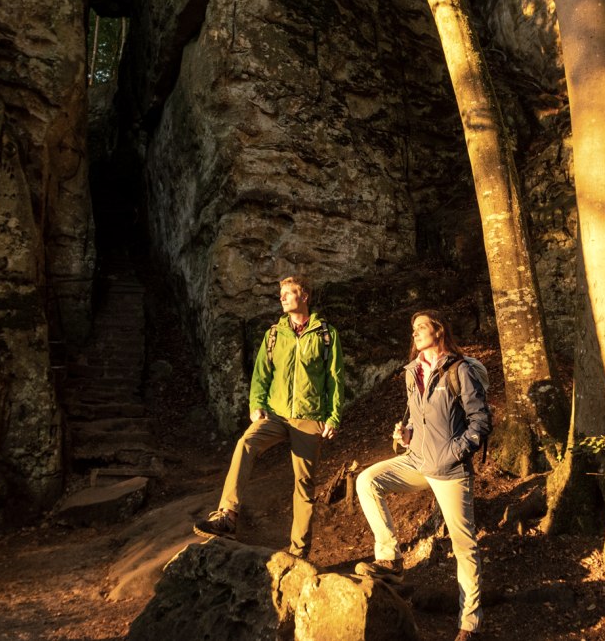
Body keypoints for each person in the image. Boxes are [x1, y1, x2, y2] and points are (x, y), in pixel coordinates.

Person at [355, 310, 490, 641]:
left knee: (464, 546)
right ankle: (390, 559)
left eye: (421, 327)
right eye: (412, 328)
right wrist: (406, 435)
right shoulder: (412, 372)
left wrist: (454, 452)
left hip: (449, 469)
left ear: (439, 331)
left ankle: (469, 622)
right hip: (416, 460)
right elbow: (419, 421)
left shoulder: (460, 370)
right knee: (366, 480)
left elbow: (481, 423)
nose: (414, 333)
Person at [193, 275, 344, 558]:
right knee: (245, 444)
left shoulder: (326, 334)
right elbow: (261, 375)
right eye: (281, 293)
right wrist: (256, 405)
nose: (282, 298)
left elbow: (335, 379)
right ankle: (227, 515)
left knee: (304, 486)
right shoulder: (274, 334)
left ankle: (299, 552)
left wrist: (333, 417)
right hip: (275, 415)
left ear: (305, 295)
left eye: (289, 292)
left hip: (309, 418)